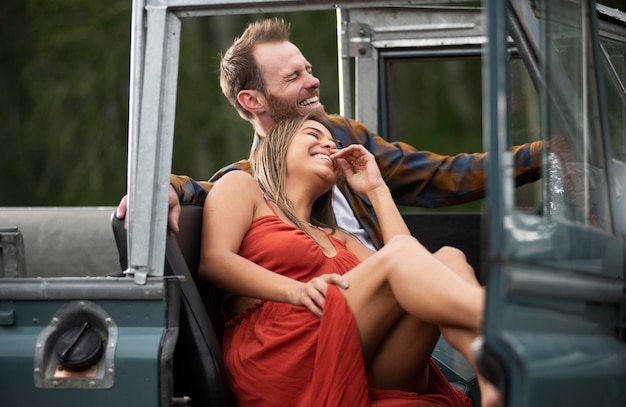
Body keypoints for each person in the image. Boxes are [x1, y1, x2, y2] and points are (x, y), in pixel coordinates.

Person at [116, 17, 543, 250]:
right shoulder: (252, 179)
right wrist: (160, 187)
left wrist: (543, 155)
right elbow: (208, 190)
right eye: (294, 77)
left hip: (400, 285)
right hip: (345, 310)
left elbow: (440, 175)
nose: (313, 82)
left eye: (310, 70)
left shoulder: (343, 134)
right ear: (253, 101)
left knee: (455, 267)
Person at [199, 113, 500, 407]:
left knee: (447, 258)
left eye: (333, 141)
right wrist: (295, 291)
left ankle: (491, 374)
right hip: (280, 353)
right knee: (405, 256)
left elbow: (414, 274)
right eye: (313, 135)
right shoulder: (243, 187)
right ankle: (506, 319)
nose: (328, 143)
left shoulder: (339, 237)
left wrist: (376, 189)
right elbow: (215, 261)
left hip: (348, 356)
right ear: (277, 146)